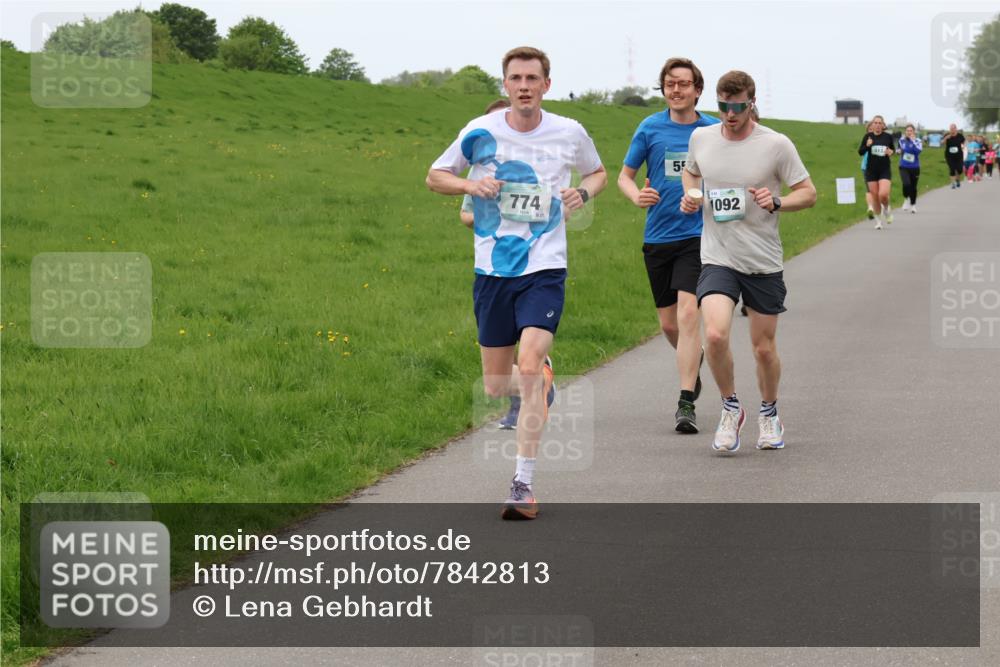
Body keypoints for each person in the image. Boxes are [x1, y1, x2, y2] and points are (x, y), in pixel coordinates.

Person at [427, 46, 607, 519]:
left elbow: (598, 171)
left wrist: (582, 191)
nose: (524, 85)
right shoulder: (479, 131)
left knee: (527, 367)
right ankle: (540, 376)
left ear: (547, 84)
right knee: (494, 386)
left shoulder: (569, 131)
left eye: (532, 77)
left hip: (544, 268)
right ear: (504, 85)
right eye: (515, 78)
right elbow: (435, 176)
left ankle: (522, 485)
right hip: (492, 271)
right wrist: (471, 186)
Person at [679, 70, 816, 453]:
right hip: (717, 256)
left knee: (763, 348)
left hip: (762, 260)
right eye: (723, 106)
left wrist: (778, 202)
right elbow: (691, 173)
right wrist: (691, 194)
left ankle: (769, 412)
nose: (730, 114)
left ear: (751, 103)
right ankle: (730, 407)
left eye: (737, 106)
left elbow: (808, 193)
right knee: (717, 334)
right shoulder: (701, 137)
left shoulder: (775, 144)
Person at [617, 57, 719, 434]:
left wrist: (701, 196)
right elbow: (624, 177)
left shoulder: (711, 130)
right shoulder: (650, 127)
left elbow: (727, 178)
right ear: (663, 89)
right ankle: (695, 362)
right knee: (669, 323)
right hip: (659, 236)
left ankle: (685, 402)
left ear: (697, 89)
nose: (677, 90)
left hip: (699, 235)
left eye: (684, 84)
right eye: (670, 84)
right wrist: (635, 196)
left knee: (689, 314)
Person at [858, 115, 895, 229]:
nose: (878, 125)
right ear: (872, 125)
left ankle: (887, 210)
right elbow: (860, 151)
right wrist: (867, 145)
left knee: (883, 194)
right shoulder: (868, 137)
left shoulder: (888, 137)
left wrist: (891, 152)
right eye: (875, 123)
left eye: (880, 123)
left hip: (884, 170)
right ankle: (878, 221)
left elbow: (893, 150)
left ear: (883, 125)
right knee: (874, 196)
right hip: (871, 170)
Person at [898, 124, 922, 213]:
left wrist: (913, 141)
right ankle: (906, 199)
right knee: (906, 184)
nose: (909, 132)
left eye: (910, 130)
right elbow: (898, 149)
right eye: (907, 130)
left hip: (915, 167)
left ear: (914, 132)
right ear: (905, 132)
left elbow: (918, 152)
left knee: (913, 187)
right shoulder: (901, 140)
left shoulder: (918, 141)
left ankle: (913, 205)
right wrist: (898, 151)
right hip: (903, 166)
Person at [860, 120, 877, 219]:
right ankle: (870, 208)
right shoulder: (866, 140)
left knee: (877, 190)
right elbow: (861, 151)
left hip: (879, 168)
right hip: (866, 167)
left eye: (873, 129)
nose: (871, 131)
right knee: (869, 189)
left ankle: (878, 206)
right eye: (869, 129)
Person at [944, 125, 966, 189]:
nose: (952, 130)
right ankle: (953, 184)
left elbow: (964, 141)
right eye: (951, 129)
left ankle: (957, 180)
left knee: (959, 169)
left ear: (956, 129)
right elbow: (942, 142)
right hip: (949, 156)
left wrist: (963, 146)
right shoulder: (947, 135)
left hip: (959, 155)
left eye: (953, 129)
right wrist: (946, 138)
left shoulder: (960, 136)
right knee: (952, 169)